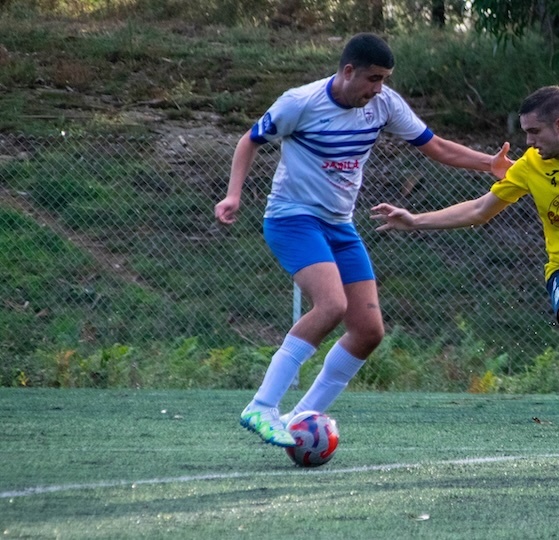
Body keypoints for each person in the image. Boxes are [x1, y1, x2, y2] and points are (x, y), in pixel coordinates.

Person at [215, 33, 512, 448]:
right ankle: (262, 406)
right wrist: (233, 194)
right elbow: (249, 141)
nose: (378, 88)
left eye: (385, 79)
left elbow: (436, 146)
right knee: (331, 305)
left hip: (339, 224)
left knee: (368, 330)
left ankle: (302, 417)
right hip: (292, 219)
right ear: (348, 71)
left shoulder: (384, 104)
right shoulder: (300, 102)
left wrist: (491, 165)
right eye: (373, 78)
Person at [371, 85, 559, 474]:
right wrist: (415, 220)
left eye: (534, 133)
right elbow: (481, 210)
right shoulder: (531, 167)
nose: (527, 142)